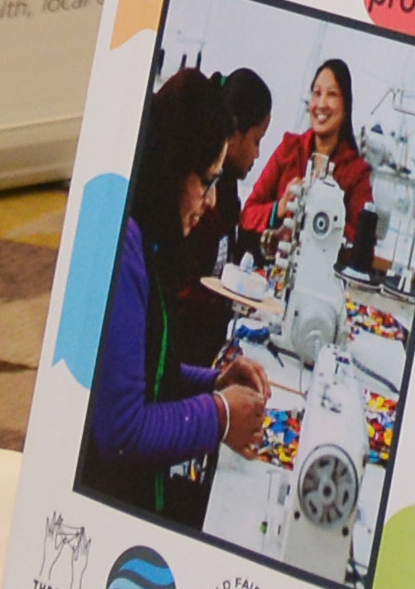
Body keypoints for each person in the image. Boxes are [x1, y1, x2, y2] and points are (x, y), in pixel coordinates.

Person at [75, 63, 272, 523]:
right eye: (206, 181)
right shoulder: (124, 249)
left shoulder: (149, 241)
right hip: (111, 503)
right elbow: (122, 429)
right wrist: (220, 415)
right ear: (172, 165)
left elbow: (144, 372)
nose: (209, 202)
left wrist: (213, 381)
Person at [244, 58, 381, 280]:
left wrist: (326, 222)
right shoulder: (288, 148)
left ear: (346, 106)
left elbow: (363, 250)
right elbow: (248, 214)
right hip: (270, 276)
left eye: (332, 94)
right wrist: (280, 208)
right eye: (317, 93)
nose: (322, 103)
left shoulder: (356, 172)